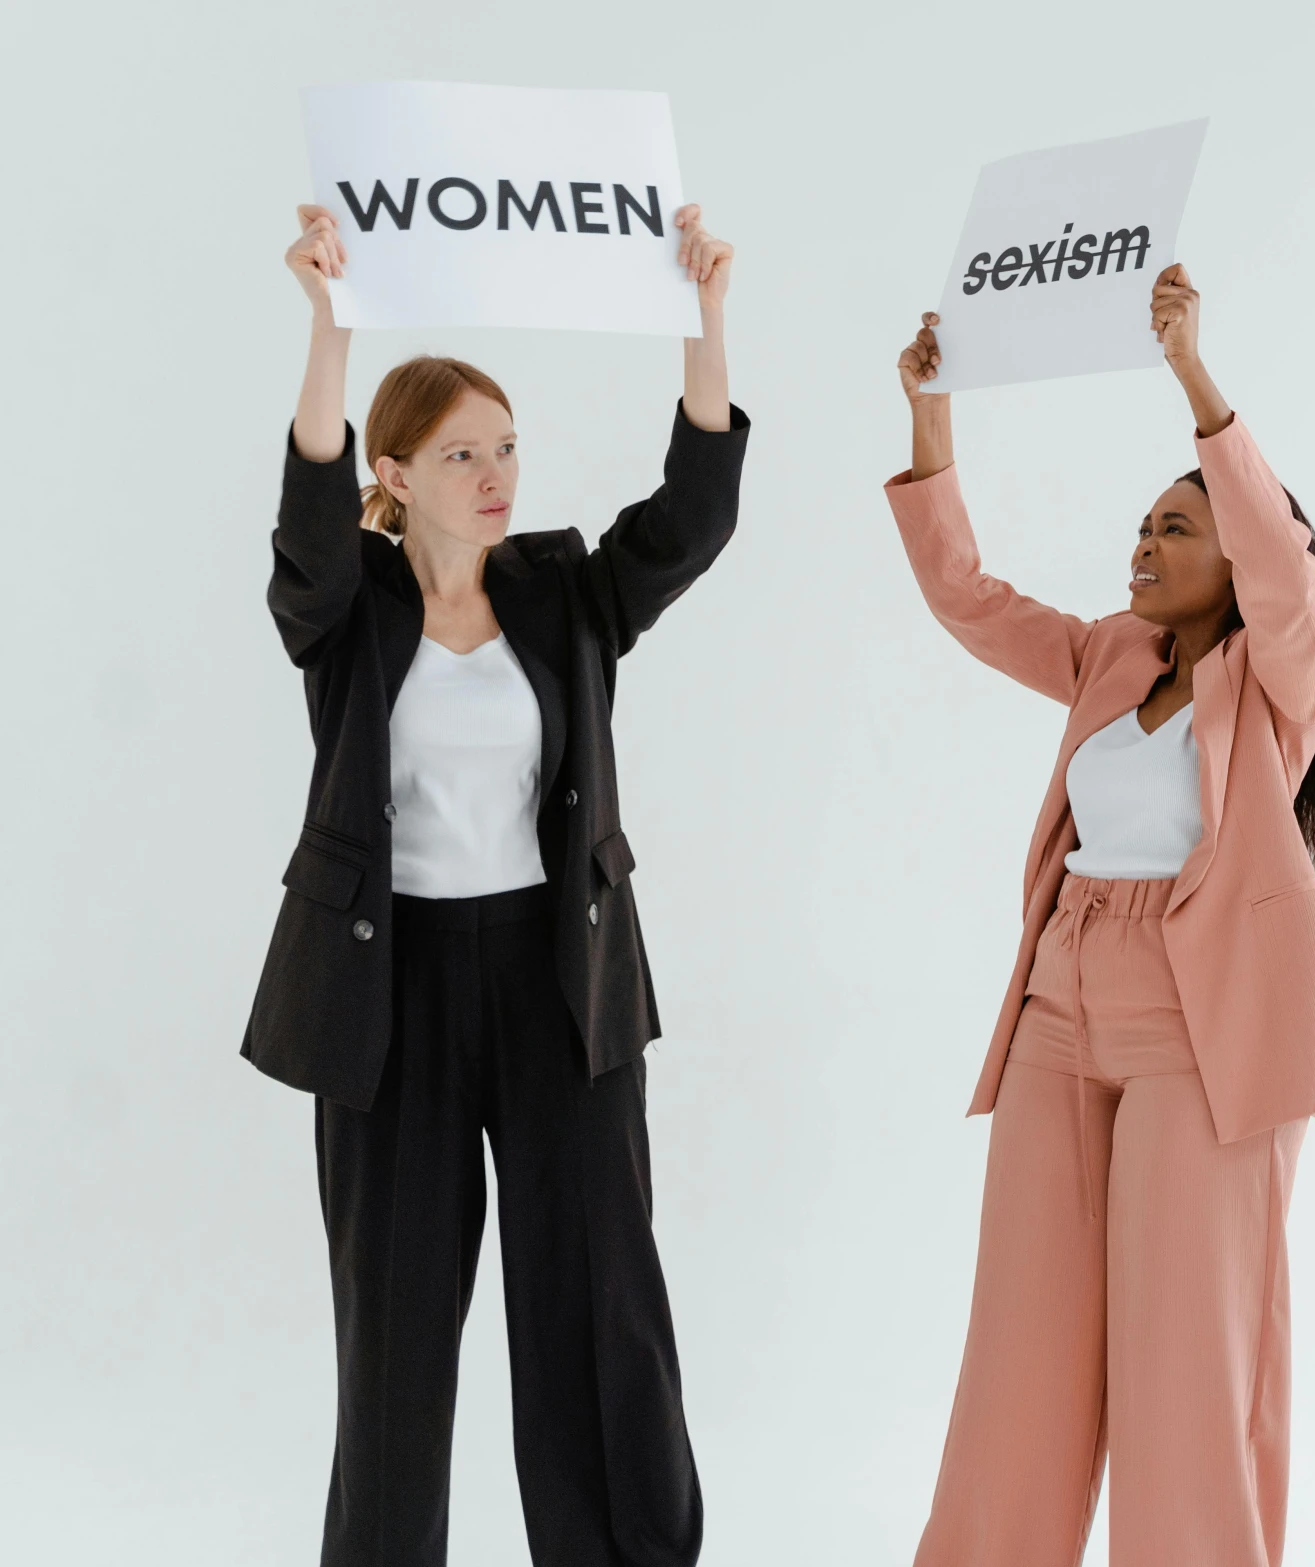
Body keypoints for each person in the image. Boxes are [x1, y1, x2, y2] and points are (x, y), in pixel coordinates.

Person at [246, 200, 748, 1567]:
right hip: (387, 994)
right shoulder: (345, 606)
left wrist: (702, 317)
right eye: (463, 451)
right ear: (397, 472)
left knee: (601, 1308)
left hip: (556, 981)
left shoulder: (564, 590)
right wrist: (331, 334)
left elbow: (693, 522)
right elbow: (302, 525)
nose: (496, 472)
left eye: (508, 445)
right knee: (396, 1337)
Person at [886, 264, 1315, 1567]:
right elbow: (967, 598)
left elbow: (1288, 584)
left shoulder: (1288, 682)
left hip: (1198, 1025)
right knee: (1023, 1350)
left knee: (1180, 1365)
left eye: (1176, 527)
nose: (1143, 546)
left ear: (1241, 549)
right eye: (1143, 525)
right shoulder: (1109, 654)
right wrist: (930, 422)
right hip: (1063, 999)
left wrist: (1194, 382)